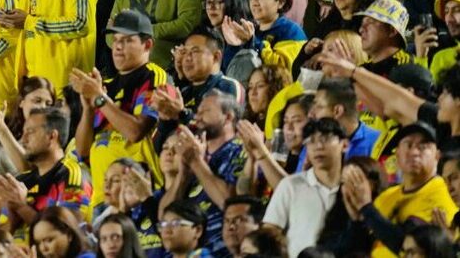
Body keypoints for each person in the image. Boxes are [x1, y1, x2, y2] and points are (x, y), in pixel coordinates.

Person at [72, 9, 168, 200]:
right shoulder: (106, 86)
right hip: (101, 196)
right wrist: (89, 109)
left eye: (126, 40)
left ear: (147, 44)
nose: (117, 47)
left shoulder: (154, 76)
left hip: (136, 194)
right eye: (115, 40)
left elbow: (136, 131)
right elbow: (83, 151)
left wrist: (99, 98)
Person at [344, 122, 458, 256]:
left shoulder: (444, 193)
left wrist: (366, 208)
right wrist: (357, 221)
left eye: (423, 146)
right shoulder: (385, 197)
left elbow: (411, 248)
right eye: (409, 145)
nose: (415, 152)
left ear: (437, 156)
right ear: (397, 154)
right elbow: (361, 247)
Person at [159, 91, 247, 256]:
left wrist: (195, 162)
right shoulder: (194, 152)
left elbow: (231, 202)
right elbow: (164, 215)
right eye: (198, 111)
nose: (197, 116)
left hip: (220, 251)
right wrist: (184, 173)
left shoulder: (240, 150)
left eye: (205, 111)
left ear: (228, 117)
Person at [261, 118, 345, 256]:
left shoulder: (354, 186)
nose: (318, 146)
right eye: (311, 141)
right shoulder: (291, 185)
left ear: (344, 144)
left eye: (325, 139)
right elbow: (270, 231)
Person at [0, 107, 92, 229]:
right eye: (24, 132)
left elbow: (66, 230)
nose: (24, 139)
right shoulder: (21, 181)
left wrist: (22, 207)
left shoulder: (72, 173)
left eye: (30, 132)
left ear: (52, 136)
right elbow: (1, 236)